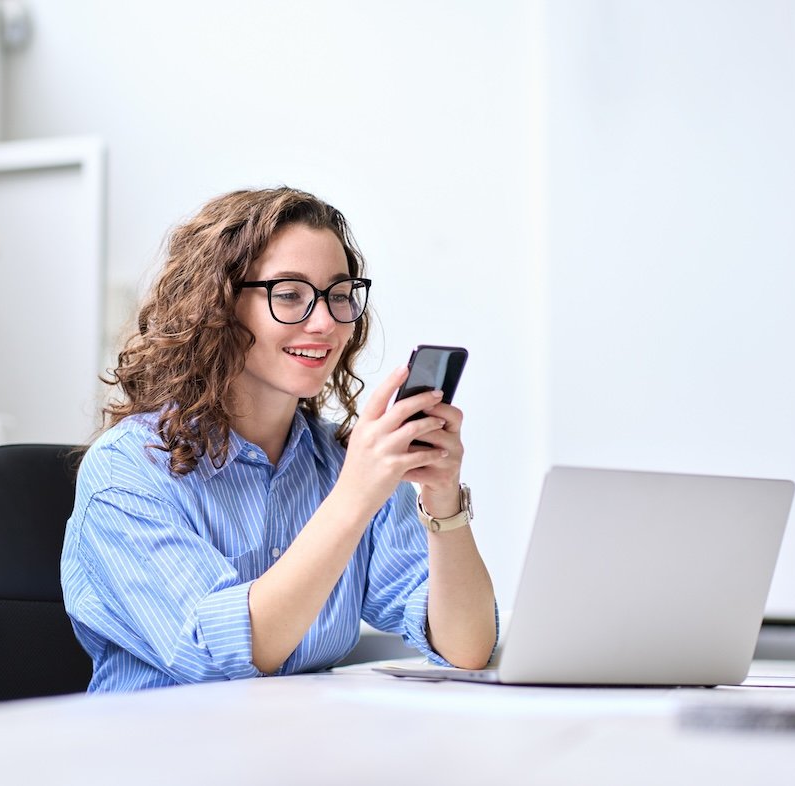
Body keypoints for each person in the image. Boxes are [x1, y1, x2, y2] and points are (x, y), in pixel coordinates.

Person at [61, 187, 497, 691]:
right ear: (217, 306)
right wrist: (354, 497)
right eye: (289, 294)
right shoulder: (125, 471)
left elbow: (466, 647)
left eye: (338, 295)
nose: (325, 322)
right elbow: (224, 657)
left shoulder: (340, 461)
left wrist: (442, 500)